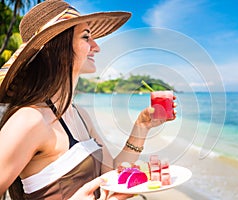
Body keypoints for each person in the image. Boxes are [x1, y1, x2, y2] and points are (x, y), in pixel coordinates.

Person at [0, 0, 176, 199]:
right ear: (56, 49)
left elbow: (112, 173)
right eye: (86, 37)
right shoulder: (30, 119)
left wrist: (141, 127)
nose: (97, 47)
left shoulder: (79, 114)